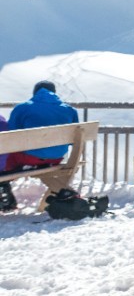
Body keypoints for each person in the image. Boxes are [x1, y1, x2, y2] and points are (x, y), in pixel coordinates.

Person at [3, 81, 79, 212]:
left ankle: (3, 188)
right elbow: (73, 140)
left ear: (35, 92)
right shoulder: (69, 109)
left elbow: (11, 136)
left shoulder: (23, 108)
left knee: (7, 162)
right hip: (56, 158)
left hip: (29, 159)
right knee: (43, 167)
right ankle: (65, 195)